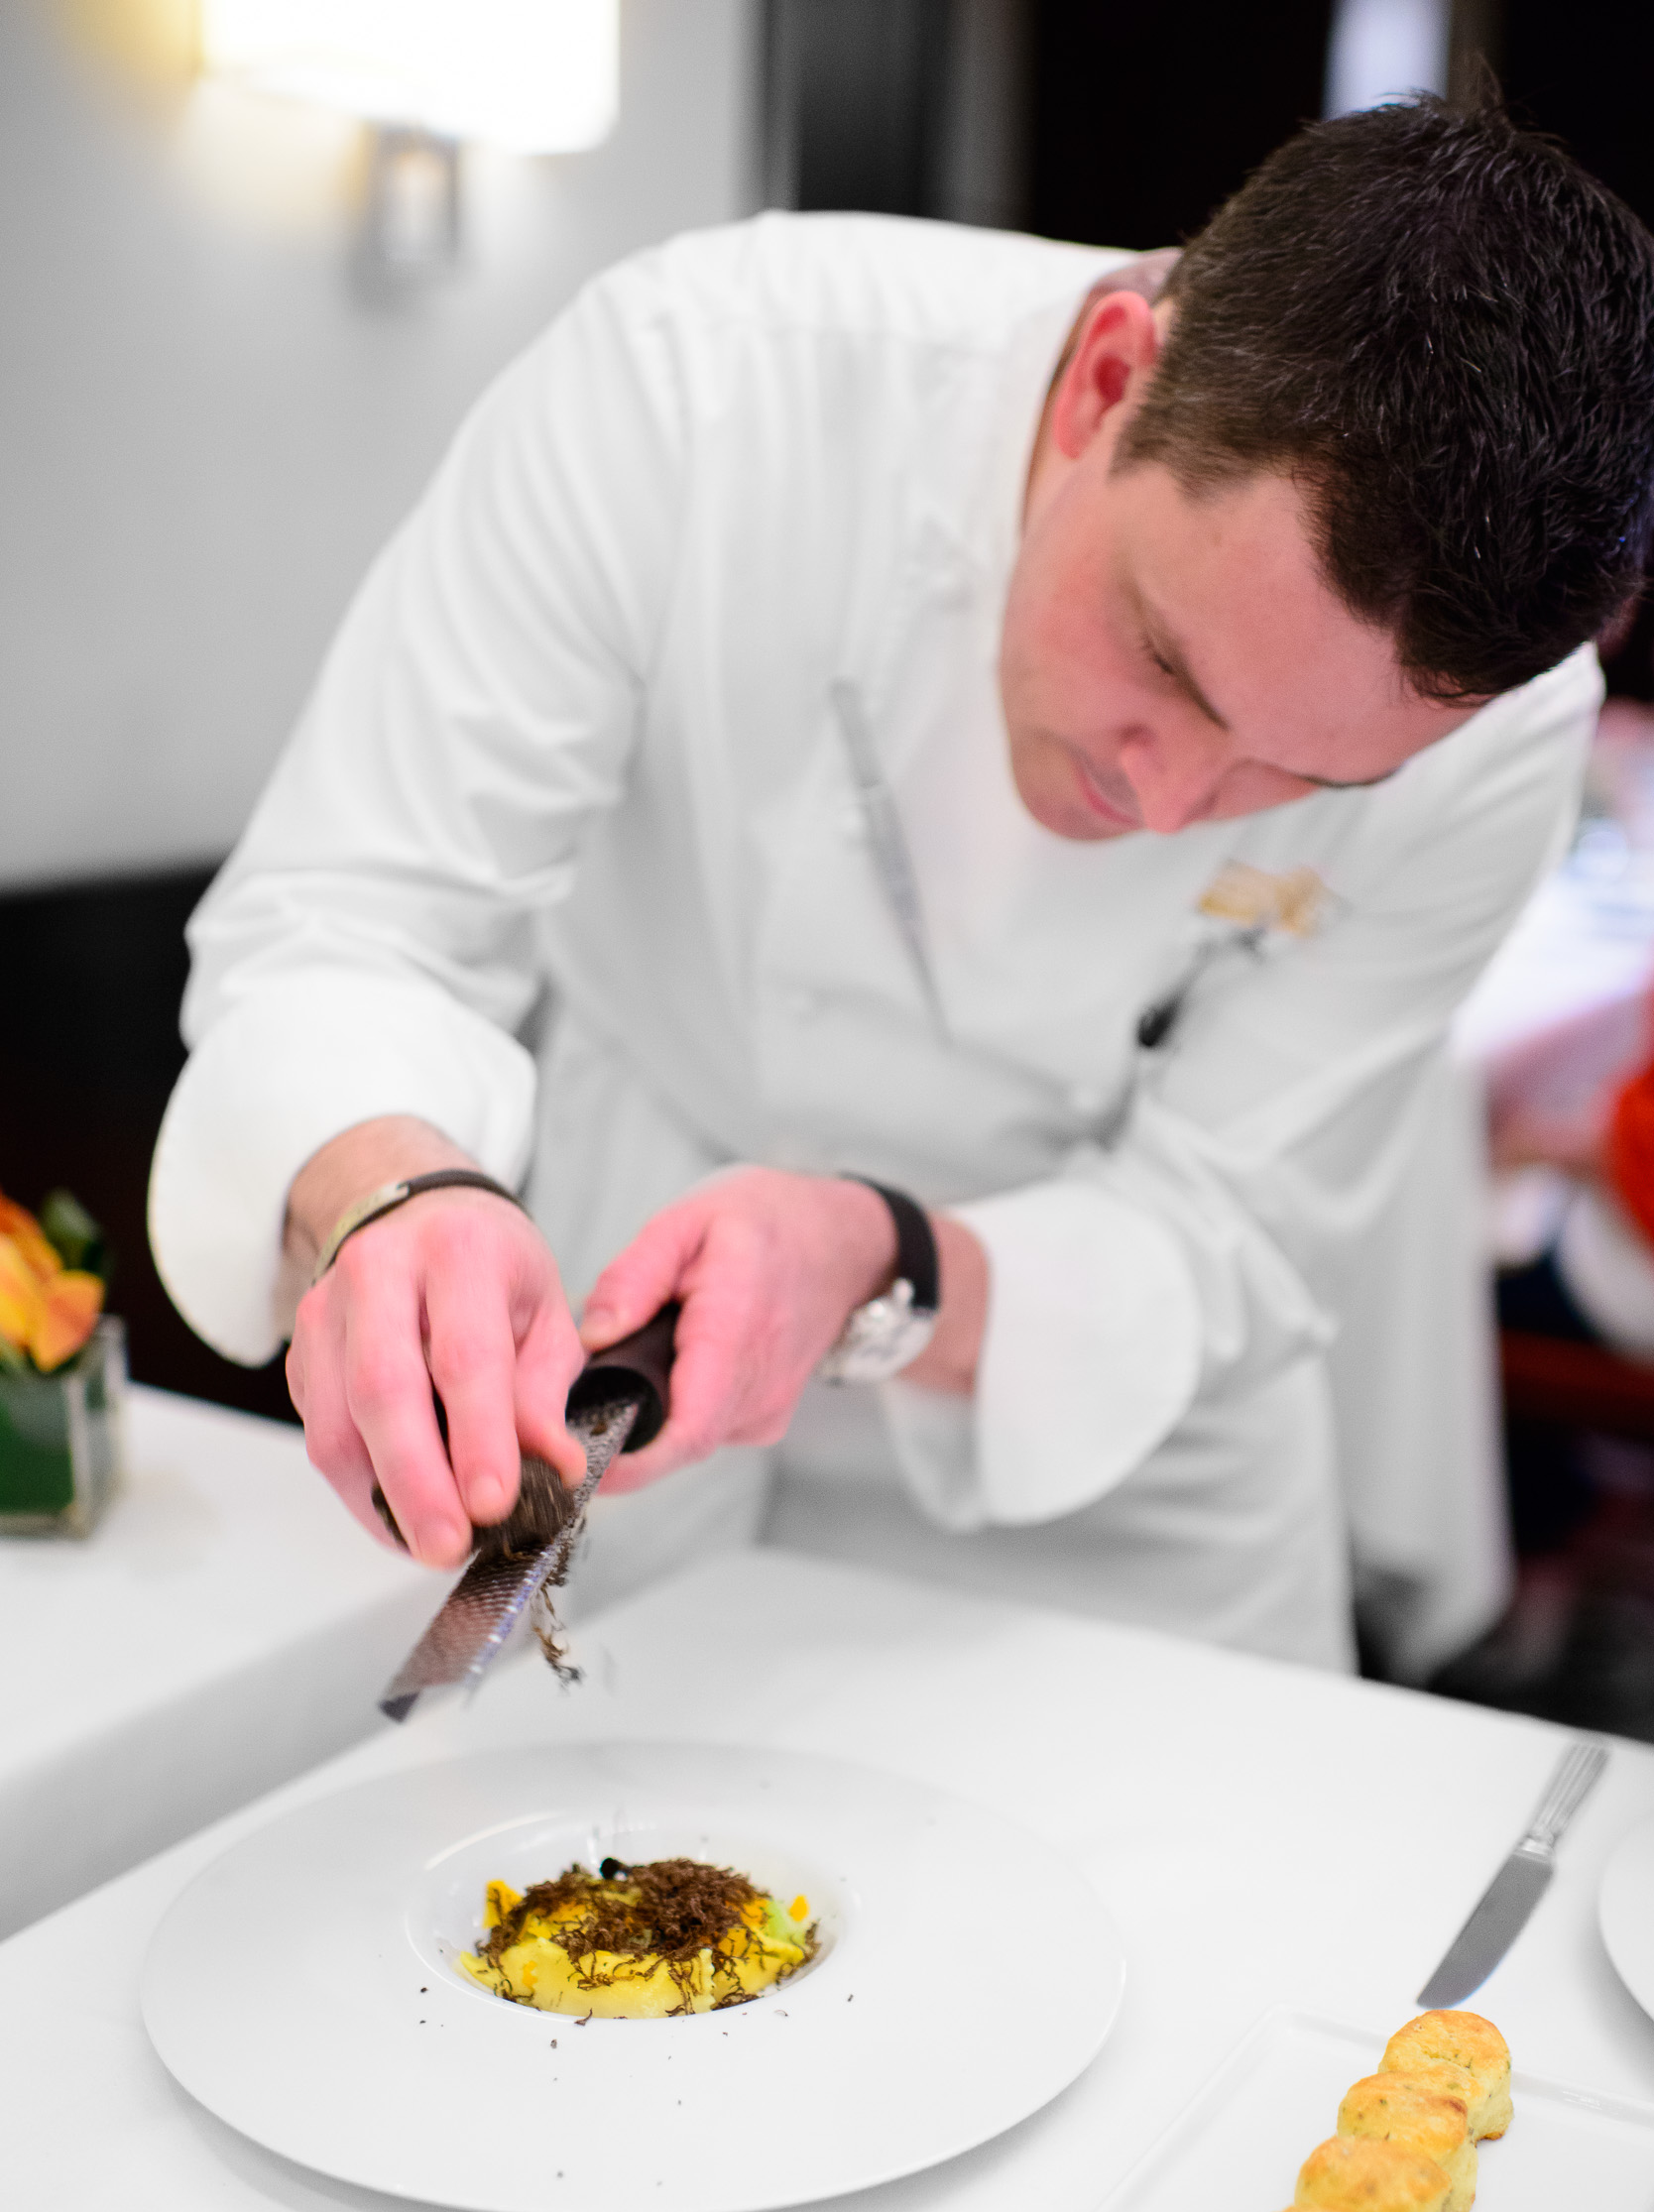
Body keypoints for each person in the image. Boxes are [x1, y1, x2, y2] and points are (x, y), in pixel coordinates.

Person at [150, 102, 1654, 1668]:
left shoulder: (1504, 731)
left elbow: (1230, 1229)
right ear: (1108, 382)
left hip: (1118, 1472)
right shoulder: (701, 379)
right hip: (621, 1354)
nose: (1168, 801)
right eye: (1163, 659)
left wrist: (881, 1263)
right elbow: (355, 915)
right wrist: (392, 1190)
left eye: (1303, 780)